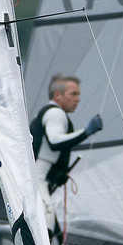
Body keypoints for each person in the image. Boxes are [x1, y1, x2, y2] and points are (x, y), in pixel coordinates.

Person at [32, 74, 102, 236]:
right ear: (57, 95)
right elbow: (55, 141)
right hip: (37, 180)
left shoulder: (49, 113)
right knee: (46, 225)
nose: (78, 99)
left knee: (54, 233)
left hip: (41, 180)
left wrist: (58, 173)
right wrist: (86, 132)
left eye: (78, 95)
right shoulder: (55, 113)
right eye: (73, 94)